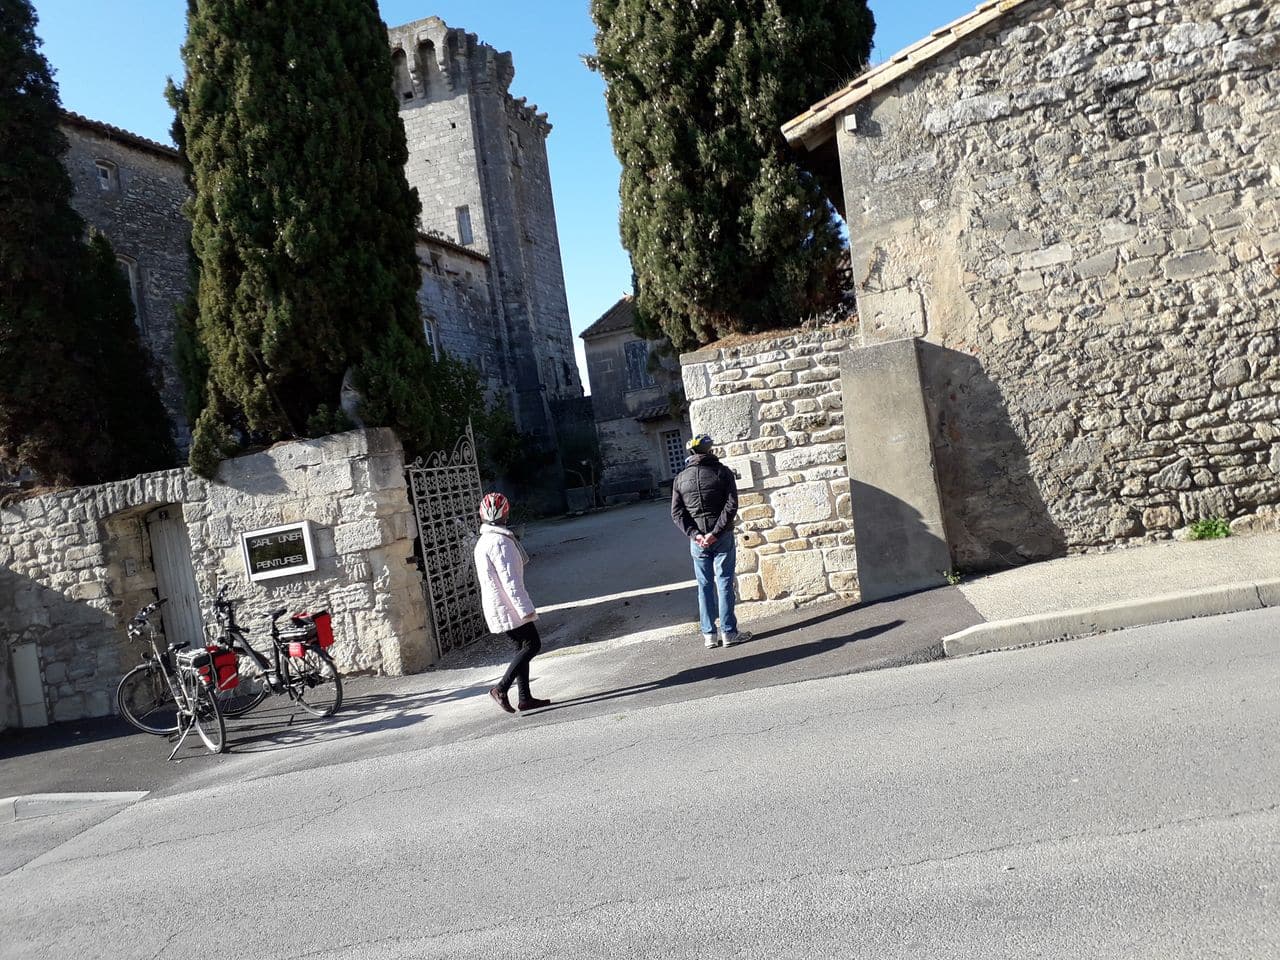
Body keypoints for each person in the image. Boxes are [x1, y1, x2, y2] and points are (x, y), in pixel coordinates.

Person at [473, 492, 551, 713]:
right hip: (509, 606)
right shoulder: (500, 542)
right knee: (532, 644)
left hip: (499, 605)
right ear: (506, 514)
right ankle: (500, 688)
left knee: (521, 647)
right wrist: (525, 609)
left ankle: (525, 698)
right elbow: (511, 581)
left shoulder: (484, 541)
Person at [671, 434, 751, 649]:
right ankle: (729, 633)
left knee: (704, 585)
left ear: (691, 453)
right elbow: (731, 505)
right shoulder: (722, 472)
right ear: (710, 450)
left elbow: (677, 513)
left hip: (697, 541)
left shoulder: (680, 479)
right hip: (721, 536)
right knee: (724, 583)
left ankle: (709, 635)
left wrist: (695, 534)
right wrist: (716, 532)